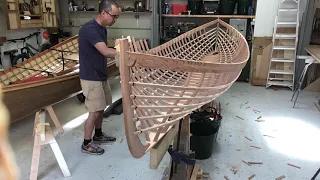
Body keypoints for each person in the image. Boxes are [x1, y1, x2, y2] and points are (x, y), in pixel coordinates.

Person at [78, 0, 120, 155]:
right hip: (91, 76)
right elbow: (105, 51)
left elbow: (106, 51)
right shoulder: (89, 29)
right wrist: (125, 51)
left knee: (101, 108)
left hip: (101, 75)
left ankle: (98, 134)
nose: (115, 20)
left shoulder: (102, 29)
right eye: (114, 16)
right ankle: (86, 143)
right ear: (104, 13)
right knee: (94, 111)